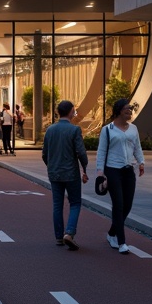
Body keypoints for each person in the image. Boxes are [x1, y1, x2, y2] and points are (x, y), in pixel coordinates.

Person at [96, 98, 144, 254]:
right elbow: (101, 152)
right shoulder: (107, 129)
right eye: (127, 109)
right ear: (118, 111)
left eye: (130, 109)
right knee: (118, 204)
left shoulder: (133, 129)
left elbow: (137, 147)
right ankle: (121, 241)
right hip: (112, 170)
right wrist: (100, 174)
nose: (130, 111)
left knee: (127, 205)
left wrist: (141, 162)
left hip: (128, 170)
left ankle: (111, 233)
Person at [42, 100, 89, 250]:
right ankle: (69, 232)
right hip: (71, 172)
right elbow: (81, 152)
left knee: (57, 204)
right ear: (70, 111)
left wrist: (51, 166)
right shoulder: (75, 130)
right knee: (75, 203)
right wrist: (84, 169)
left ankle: (58, 237)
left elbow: (45, 153)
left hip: (54, 172)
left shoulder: (50, 130)